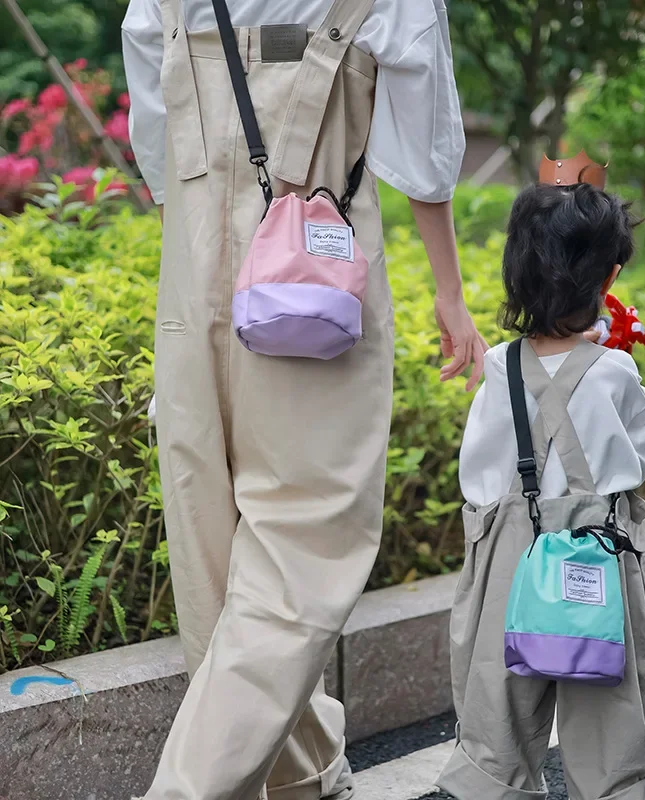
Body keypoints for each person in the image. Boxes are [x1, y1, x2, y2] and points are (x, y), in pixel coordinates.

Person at [121, 1, 485, 798]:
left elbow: (149, 82)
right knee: (304, 539)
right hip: (314, 268)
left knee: (212, 541)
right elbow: (423, 135)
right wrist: (450, 295)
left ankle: (306, 776)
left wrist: (191, 226)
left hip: (192, 254)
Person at [437, 181, 645, 800]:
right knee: (609, 706)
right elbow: (643, 448)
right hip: (598, 549)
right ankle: (613, 787)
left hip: (509, 549)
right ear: (610, 276)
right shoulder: (615, 370)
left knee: (497, 700)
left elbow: (480, 471)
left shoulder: (497, 369)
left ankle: (494, 782)